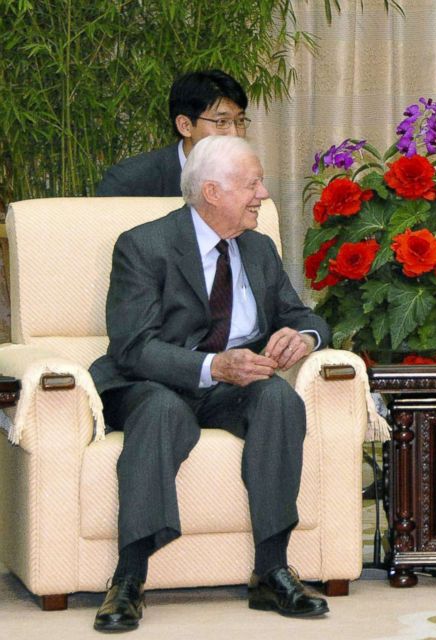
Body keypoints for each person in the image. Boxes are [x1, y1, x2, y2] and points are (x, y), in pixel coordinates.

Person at [89, 135, 330, 632]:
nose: (263, 194)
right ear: (213, 192)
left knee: (279, 399)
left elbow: (305, 316)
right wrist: (213, 366)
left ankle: (272, 571)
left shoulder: (260, 249)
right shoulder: (143, 245)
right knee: (161, 412)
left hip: (232, 386)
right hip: (152, 381)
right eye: (253, 184)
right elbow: (132, 347)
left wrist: (303, 338)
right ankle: (128, 579)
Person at [95, 69, 250, 196]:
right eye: (222, 122)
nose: (235, 134)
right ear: (185, 126)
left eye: (240, 121)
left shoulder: (245, 176)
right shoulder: (129, 181)